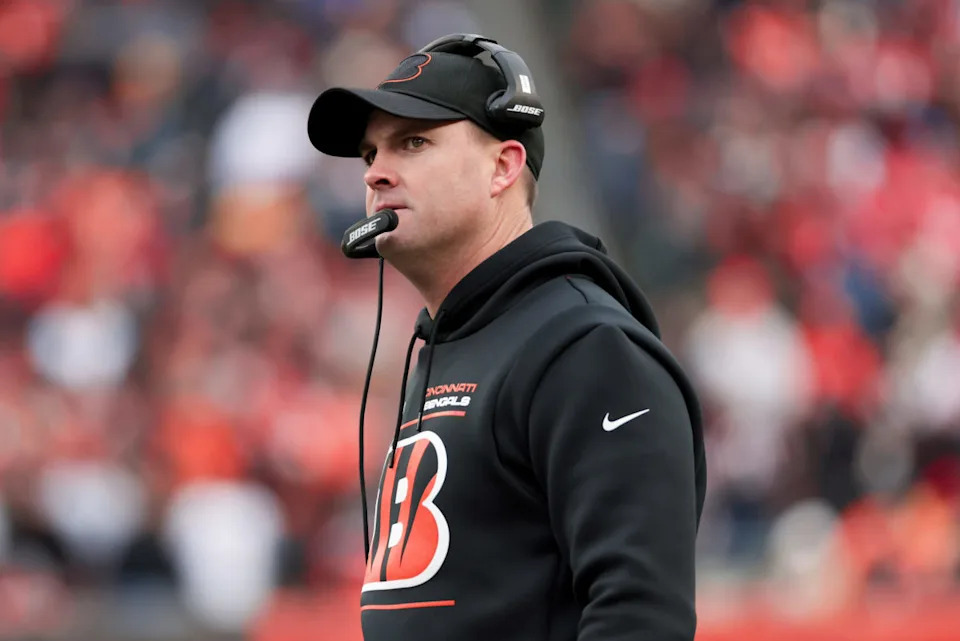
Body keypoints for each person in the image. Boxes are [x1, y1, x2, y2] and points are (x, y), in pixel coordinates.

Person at [306, 33, 706, 641]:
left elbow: (640, 615)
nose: (377, 174)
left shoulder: (585, 348)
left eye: (413, 142)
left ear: (503, 166)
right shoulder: (453, 344)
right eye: (368, 155)